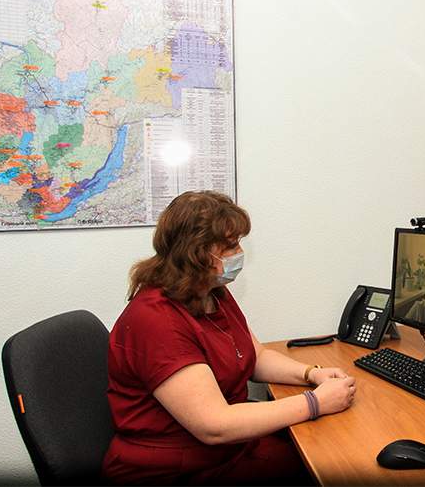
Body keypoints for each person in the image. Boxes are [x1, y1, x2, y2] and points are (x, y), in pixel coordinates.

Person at [103, 191, 356, 485]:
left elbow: (255, 356)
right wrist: (315, 403)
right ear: (197, 253)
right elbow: (215, 425)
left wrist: (312, 374)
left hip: (226, 451)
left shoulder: (210, 292)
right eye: (231, 245)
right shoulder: (155, 319)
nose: (239, 252)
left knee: (328, 456)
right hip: (173, 468)